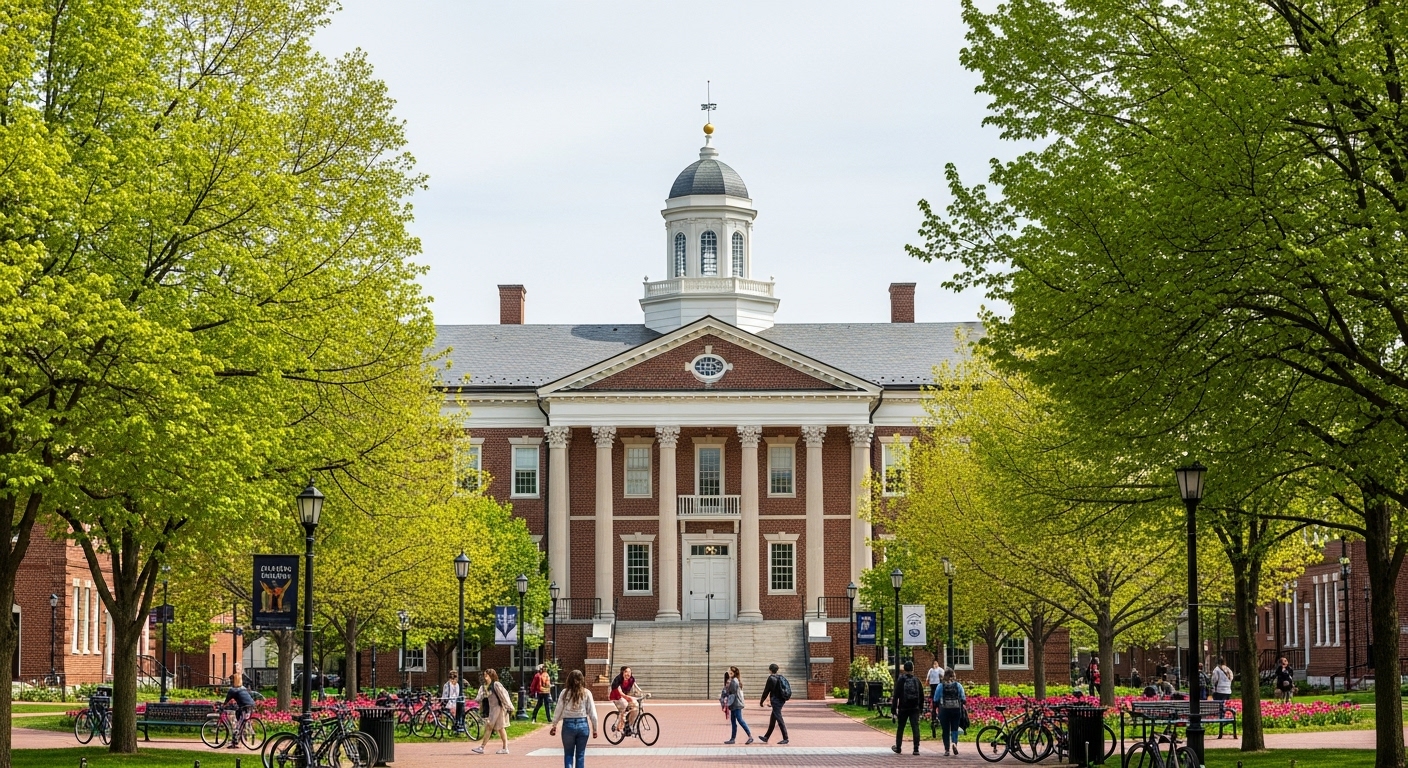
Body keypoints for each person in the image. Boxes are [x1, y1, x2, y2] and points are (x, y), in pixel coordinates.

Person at [550, 669, 598, 768]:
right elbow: (592, 712)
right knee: (580, 755)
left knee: (568, 754)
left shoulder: (564, 692)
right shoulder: (586, 693)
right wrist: (595, 729)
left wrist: (554, 724)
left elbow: (558, 709)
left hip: (568, 725)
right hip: (583, 724)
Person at [471, 668, 513, 755]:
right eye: (484, 675)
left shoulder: (496, 685)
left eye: (486, 675)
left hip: (498, 708)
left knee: (489, 726)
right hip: (492, 708)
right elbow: (478, 698)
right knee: (501, 728)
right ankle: (505, 748)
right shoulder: (484, 687)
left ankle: (482, 747)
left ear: (491, 676)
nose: (485, 676)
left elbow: (504, 695)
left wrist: (509, 706)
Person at [891, 660, 923, 756]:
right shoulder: (917, 680)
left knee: (901, 727)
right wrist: (920, 708)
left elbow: (896, 695)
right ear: (912, 669)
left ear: (904, 669)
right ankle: (916, 749)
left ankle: (898, 747)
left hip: (903, 708)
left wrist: (893, 709)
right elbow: (921, 695)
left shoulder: (901, 680)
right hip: (914, 708)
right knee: (915, 727)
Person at [936, 668, 966, 757]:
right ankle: (954, 743)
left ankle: (947, 749)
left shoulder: (940, 686)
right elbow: (963, 698)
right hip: (956, 710)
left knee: (945, 730)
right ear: (953, 675)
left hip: (944, 710)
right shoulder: (958, 685)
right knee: (954, 729)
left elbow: (935, 699)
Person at [758, 663, 790, 745]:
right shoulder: (780, 677)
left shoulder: (771, 678)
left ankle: (785, 738)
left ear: (770, 670)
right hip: (781, 700)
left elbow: (766, 691)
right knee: (773, 720)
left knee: (779, 719)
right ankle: (766, 737)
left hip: (775, 701)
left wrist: (762, 701)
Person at [222, 673, 256, 749]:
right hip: (251, 705)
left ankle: (234, 742)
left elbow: (227, 699)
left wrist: (223, 705)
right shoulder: (243, 688)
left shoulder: (232, 690)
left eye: (231, 680)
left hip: (244, 707)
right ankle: (244, 735)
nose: (230, 682)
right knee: (241, 718)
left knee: (238, 725)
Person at [609, 666, 644, 737]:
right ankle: (620, 726)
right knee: (624, 705)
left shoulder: (631, 680)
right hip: (617, 696)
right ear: (622, 673)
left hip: (625, 696)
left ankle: (629, 726)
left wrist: (643, 694)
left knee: (636, 706)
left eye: (629, 672)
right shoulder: (618, 679)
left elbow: (637, 688)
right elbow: (620, 692)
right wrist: (627, 697)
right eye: (626, 672)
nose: (628, 674)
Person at [723, 666, 753, 745]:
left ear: (733, 673)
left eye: (730, 671)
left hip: (736, 704)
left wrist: (726, 701)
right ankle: (732, 738)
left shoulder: (734, 681)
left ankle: (750, 736)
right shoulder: (734, 680)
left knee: (740, 720)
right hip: (734, 704)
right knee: (733, 721)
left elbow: (731, 693)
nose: (728, 672)